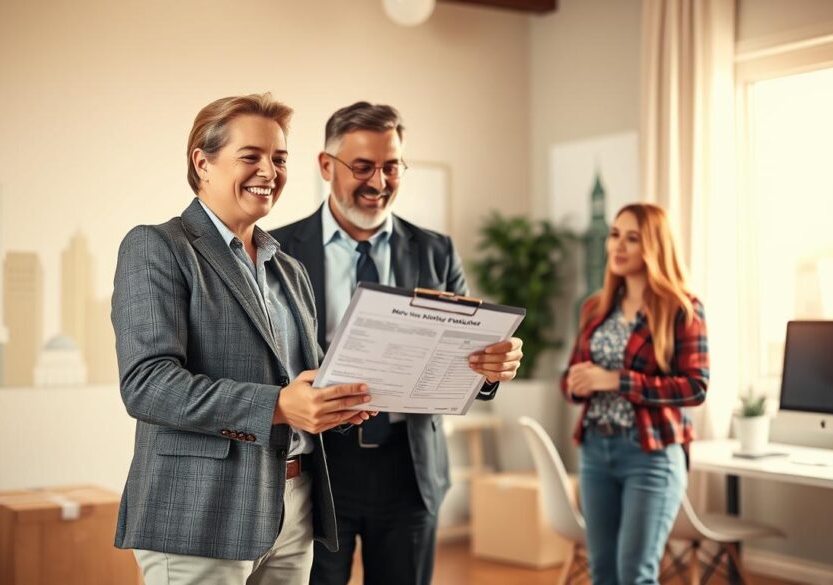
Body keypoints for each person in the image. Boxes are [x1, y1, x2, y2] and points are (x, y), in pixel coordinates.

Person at [111, 93, 376, 585]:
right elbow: (148, 384)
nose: (269, 171)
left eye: (278, 158)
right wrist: (279, 405)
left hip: (294, 506)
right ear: (202, 163)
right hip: (199, 511)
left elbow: (304, 386)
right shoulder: (158, 247)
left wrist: (336, 403)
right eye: (250, 156)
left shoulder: (289, 269)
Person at [271, 102, 524, 585]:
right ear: (326, 166)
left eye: (391, 166)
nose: (379, 182)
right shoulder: (278, 250)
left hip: (408, 468)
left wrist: (492, 367)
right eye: (363, 167)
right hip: (320, 464)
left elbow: (468, 358)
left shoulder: (436, 250)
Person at [561, 203, 708, 585]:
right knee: (602, 574)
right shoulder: (595, 308)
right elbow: (573, 377)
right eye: (614, 235)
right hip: (596, 451)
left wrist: (617, 381)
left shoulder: (682, 308)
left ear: (655, 247)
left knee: (635, 576)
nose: (618, 246)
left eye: (632, 238)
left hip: (651, 455)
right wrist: (577, 383)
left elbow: (695, 386)